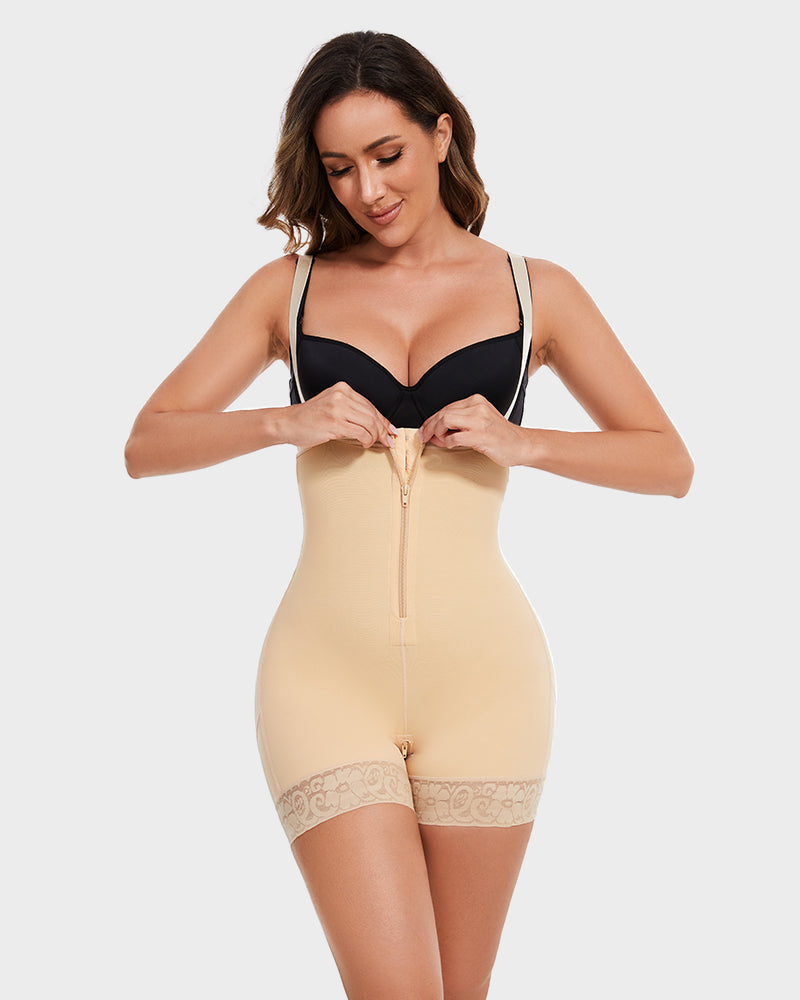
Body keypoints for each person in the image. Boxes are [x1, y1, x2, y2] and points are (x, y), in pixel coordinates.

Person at [125, 29, 693, 1000]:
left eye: (386, 155)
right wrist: (282, 420)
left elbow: (666, 462)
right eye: (339, 168)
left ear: (439, 134)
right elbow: (148, 442)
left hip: (488, 685)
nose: (367, 190)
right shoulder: (290, 290)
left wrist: (522, 442)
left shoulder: (536, 292)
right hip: (322, 680)